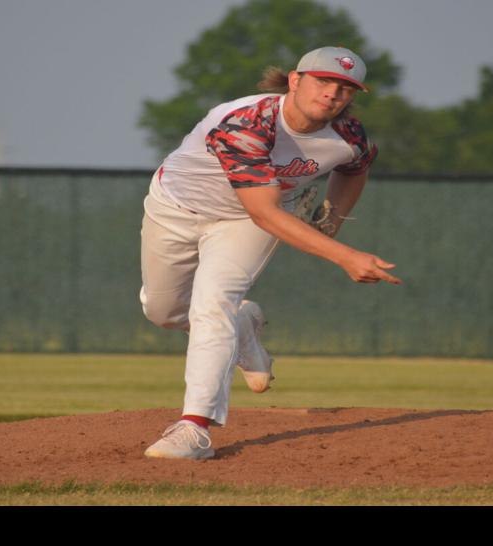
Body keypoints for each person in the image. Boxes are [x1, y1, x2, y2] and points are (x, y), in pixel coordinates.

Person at [139, 46, 402, 460]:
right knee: (164, 312)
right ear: (295, 80)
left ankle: (194, 430)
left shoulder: (349, 135)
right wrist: (345, 256)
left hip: (243, 224)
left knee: (213, 306)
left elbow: (356, 168)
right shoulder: (247, 123)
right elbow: (263, 211)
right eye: (323, 81)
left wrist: (332, 219)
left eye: (345, 88)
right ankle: (244, 326)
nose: (333, 94)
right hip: (176, 208)